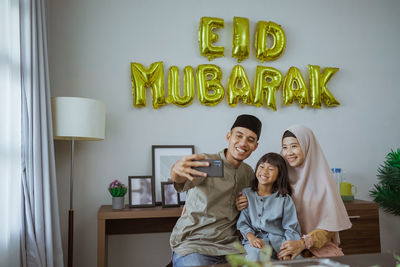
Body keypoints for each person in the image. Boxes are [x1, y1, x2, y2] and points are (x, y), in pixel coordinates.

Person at [236, 125, 351, 259]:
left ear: (307, 146)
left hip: (314, 247)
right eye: (285, 147)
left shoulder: (323, 182)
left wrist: (302, 243)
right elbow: (256, 198)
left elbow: (329, 228)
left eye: (294, 146)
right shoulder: (279, 177)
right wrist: (242, 202)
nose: (289, 152)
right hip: (279, 243)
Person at [169, 114, 262, 267]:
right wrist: (176, 170)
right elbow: (180, 179)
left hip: (231, 247)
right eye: (238, 136)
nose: (243, 143)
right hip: (195, 244)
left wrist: (247, 203)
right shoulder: (208, 163)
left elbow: (256, 205)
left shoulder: (249, 173)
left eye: (250, 140)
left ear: (255, 146)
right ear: (228, 136)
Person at [237, 152, 301, 261]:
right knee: (254, 256)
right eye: (261, 166)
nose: (264, 171)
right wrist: (251, 238)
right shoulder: (247, 194)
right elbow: (243, 223)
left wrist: (287, 250)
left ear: (279, 175)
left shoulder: (284, 199)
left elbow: (291, 228)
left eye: (271, 169)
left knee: (297, 261)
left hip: (280, 244)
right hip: (256, 242)